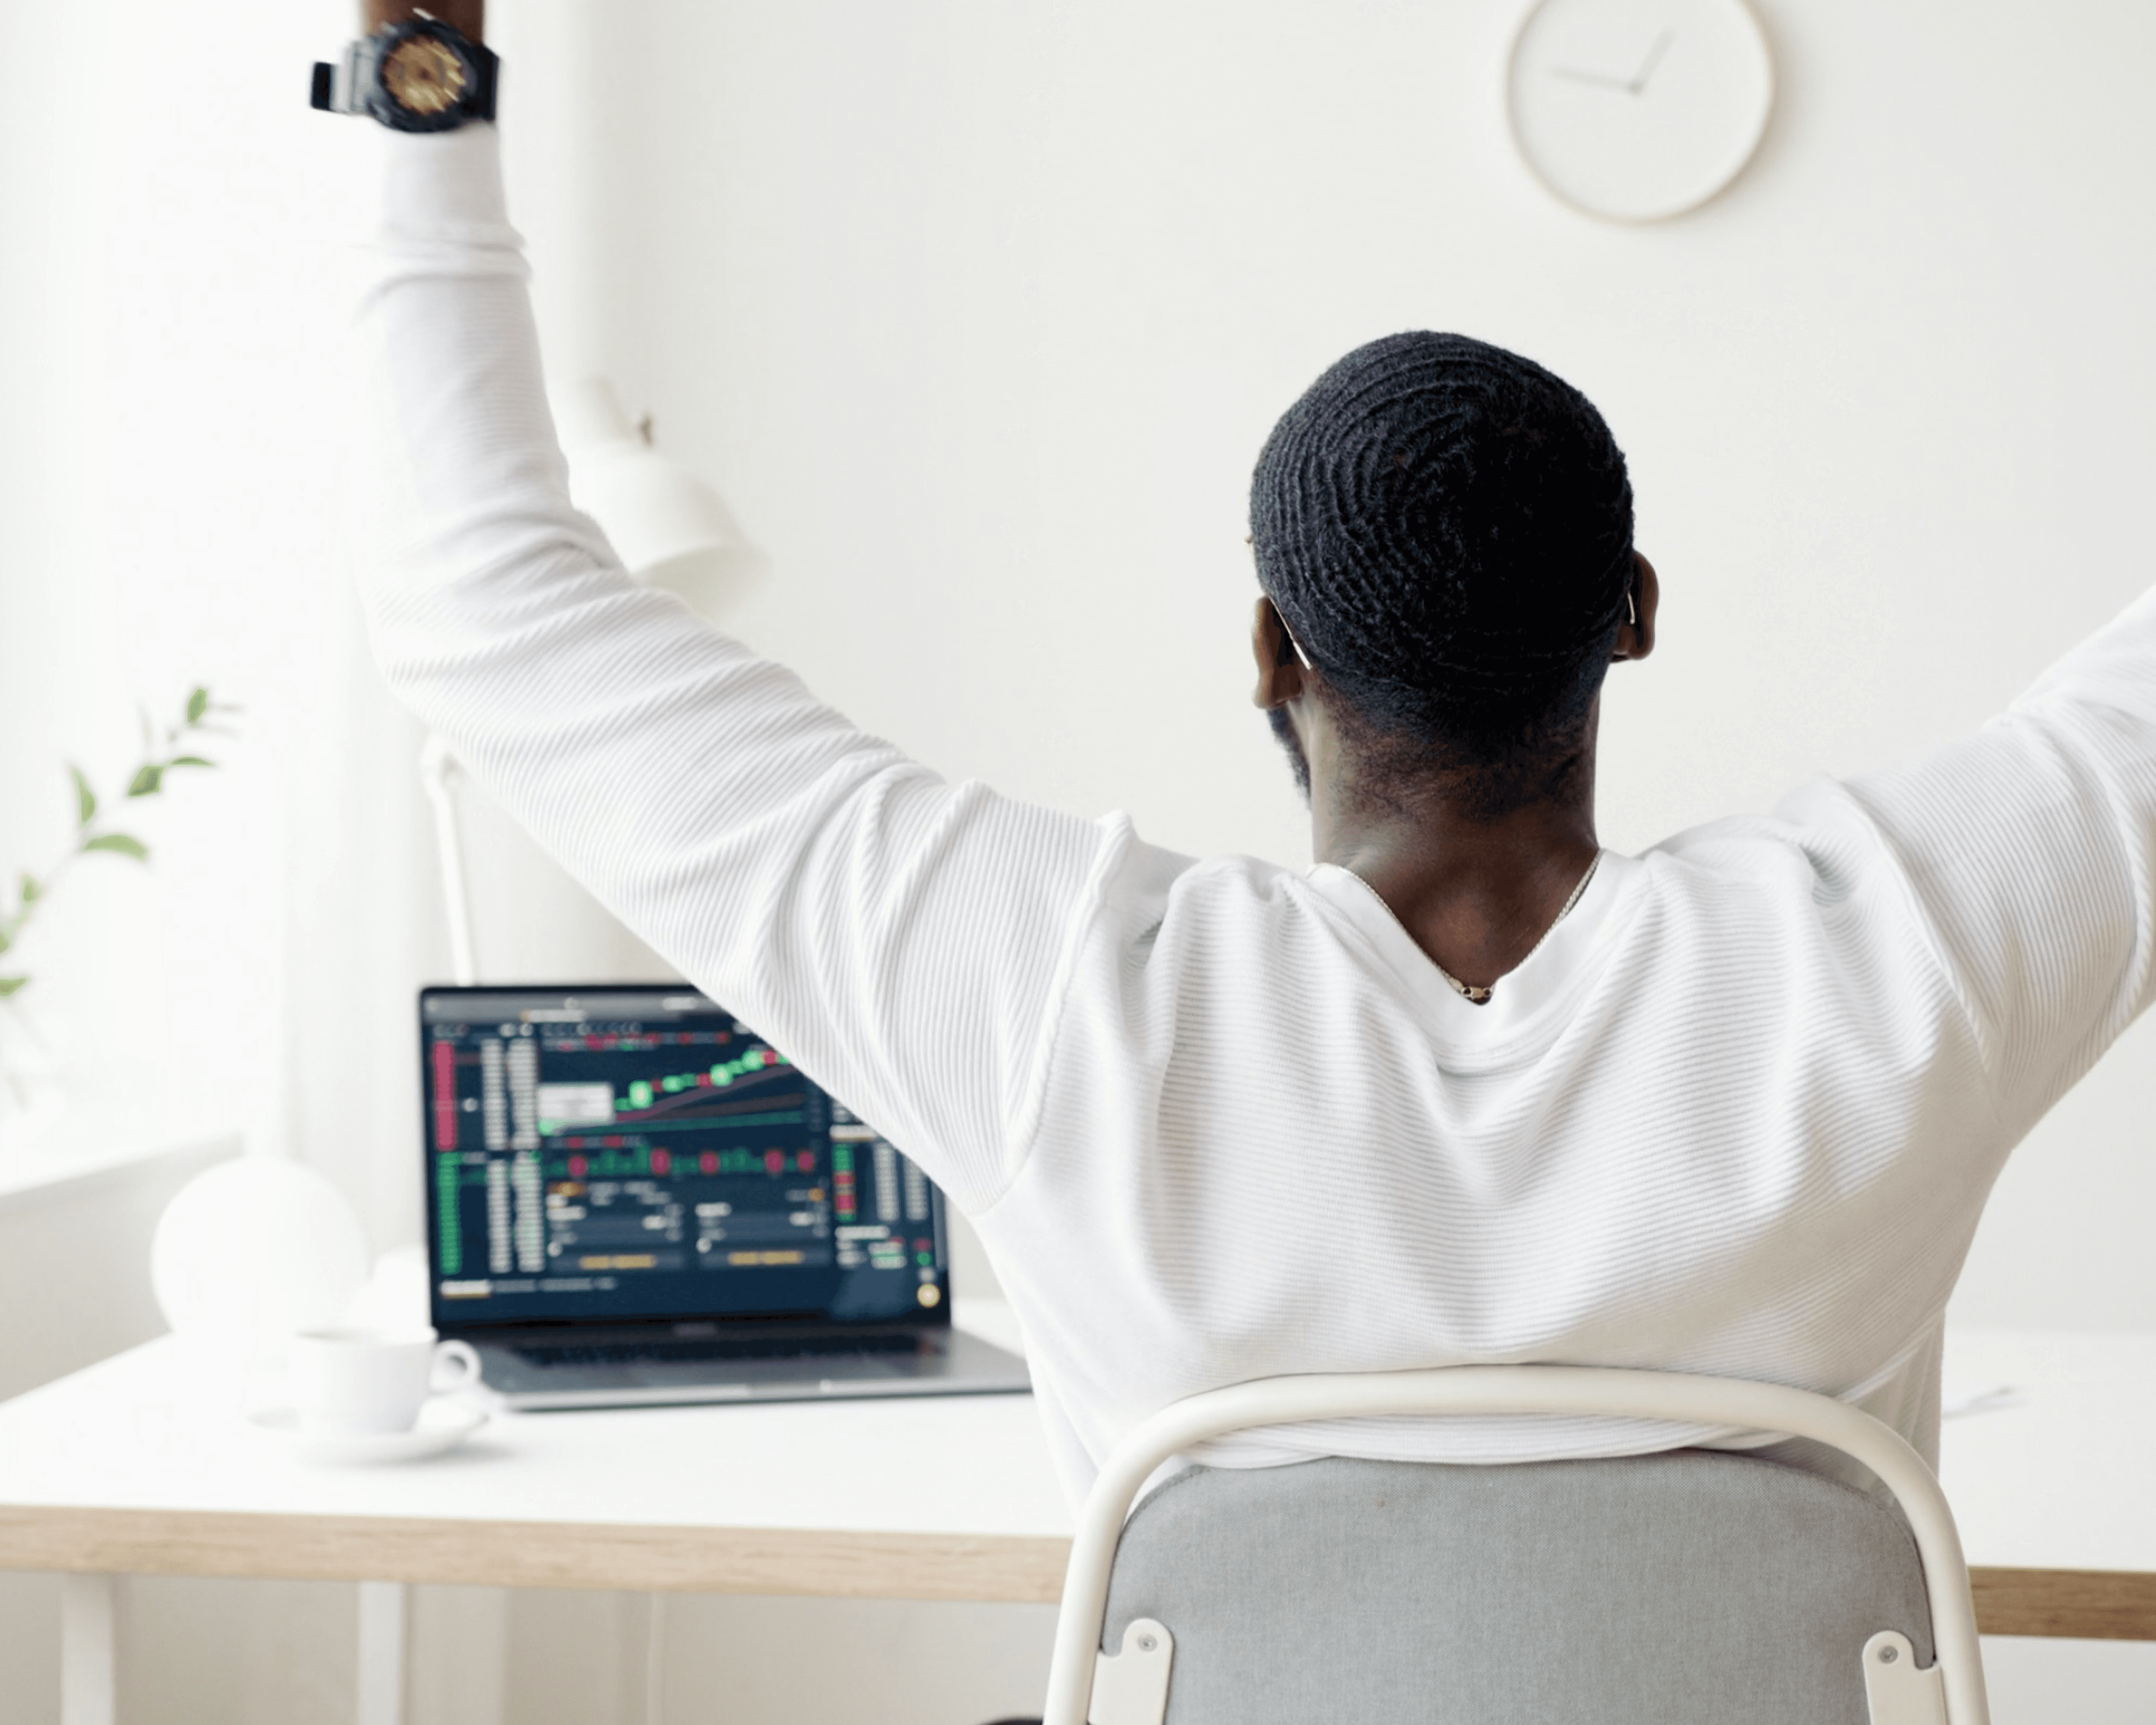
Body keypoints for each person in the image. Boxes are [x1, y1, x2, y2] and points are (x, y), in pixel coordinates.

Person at [344, 23, 2156, 1507]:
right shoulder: (1906, 956)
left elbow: (474, 603)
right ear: (1635, 614)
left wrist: (424, 70)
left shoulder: (1045, 990)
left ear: (1273, 651)